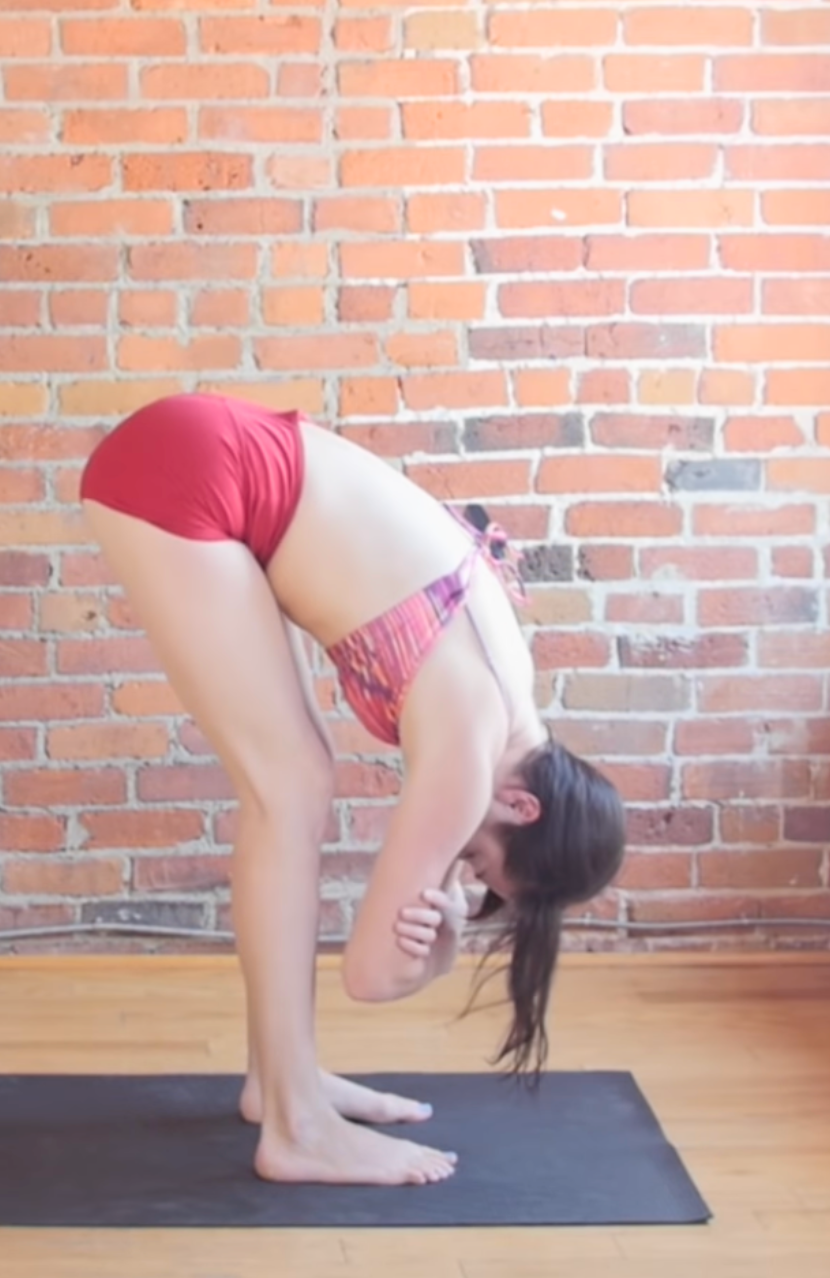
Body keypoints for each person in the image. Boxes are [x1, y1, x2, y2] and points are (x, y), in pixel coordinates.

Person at [78, 389, 626, 1187]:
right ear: (521, 806)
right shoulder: (474, 743)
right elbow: (370, 976)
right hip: (189, 470)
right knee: (290, 785)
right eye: (480, 859)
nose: (460, 865)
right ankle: (299, 1127)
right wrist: (444, 946)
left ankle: (281, 1081)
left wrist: (443, 916)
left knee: (298, 772)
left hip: (213, 456)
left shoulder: (509, 702)